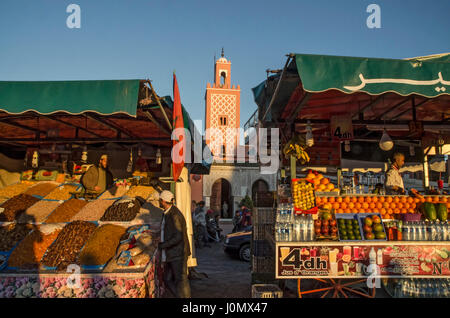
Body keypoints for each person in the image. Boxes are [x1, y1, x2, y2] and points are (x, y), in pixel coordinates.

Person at [158, 190, 191, 298]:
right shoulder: (169, 212)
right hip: (173, 253)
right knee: (168, 279)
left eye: (160, 200)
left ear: (163, 201)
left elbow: (178, 237)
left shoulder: (174, 215)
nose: (159, 202)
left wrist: (162, 245)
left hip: (178, 253)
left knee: (181, 280)